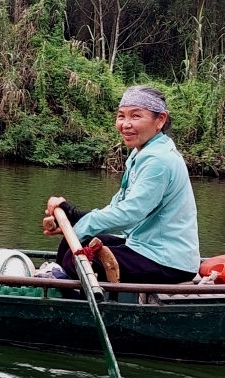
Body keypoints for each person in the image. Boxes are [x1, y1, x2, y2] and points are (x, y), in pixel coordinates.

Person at [41, 85, 199, 286]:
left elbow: (131, 213)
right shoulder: (142, 153)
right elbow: (119, 206)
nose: (125, 124)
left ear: (160, 120)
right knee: (73, 246)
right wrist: (74, 216)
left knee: (76, 259)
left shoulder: (158, 160)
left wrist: (82, 225)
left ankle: (73, 301)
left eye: (135, 116)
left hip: (167, 261)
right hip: (143, 247)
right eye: (121, 116)